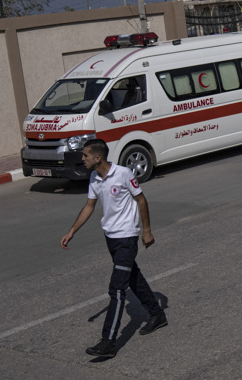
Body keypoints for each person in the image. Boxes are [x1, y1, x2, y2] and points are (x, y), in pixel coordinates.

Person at [60, 138, 166, 360]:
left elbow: (141, 200)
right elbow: (89, 206)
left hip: (127, 236)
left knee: (117, 289)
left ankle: (108, 342)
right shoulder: (94, 177)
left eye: (85, 156)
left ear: (97, 158)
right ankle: (157, 315)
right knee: (132, 276)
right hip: (111, 237)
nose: (82, 159)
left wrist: (146, 230)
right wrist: (72, 231)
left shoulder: (124, 173)